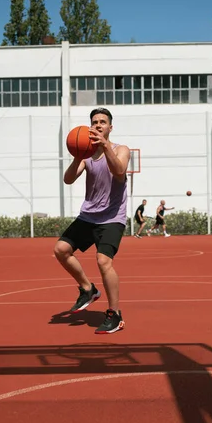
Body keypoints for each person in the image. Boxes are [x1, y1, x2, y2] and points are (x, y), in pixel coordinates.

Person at [54, 107, 130, 334]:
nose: (98, 125)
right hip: (88, 216)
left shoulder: (121, 149)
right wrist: (78, 155)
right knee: (60, 249)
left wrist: (105, 146)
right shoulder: (86, 156)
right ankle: (88, 289)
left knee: (103, 261)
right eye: (94, 122)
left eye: (103, 122)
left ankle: (115, 314)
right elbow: (68, 180)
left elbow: (119, 171)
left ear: (110, 127)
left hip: (112, 217)